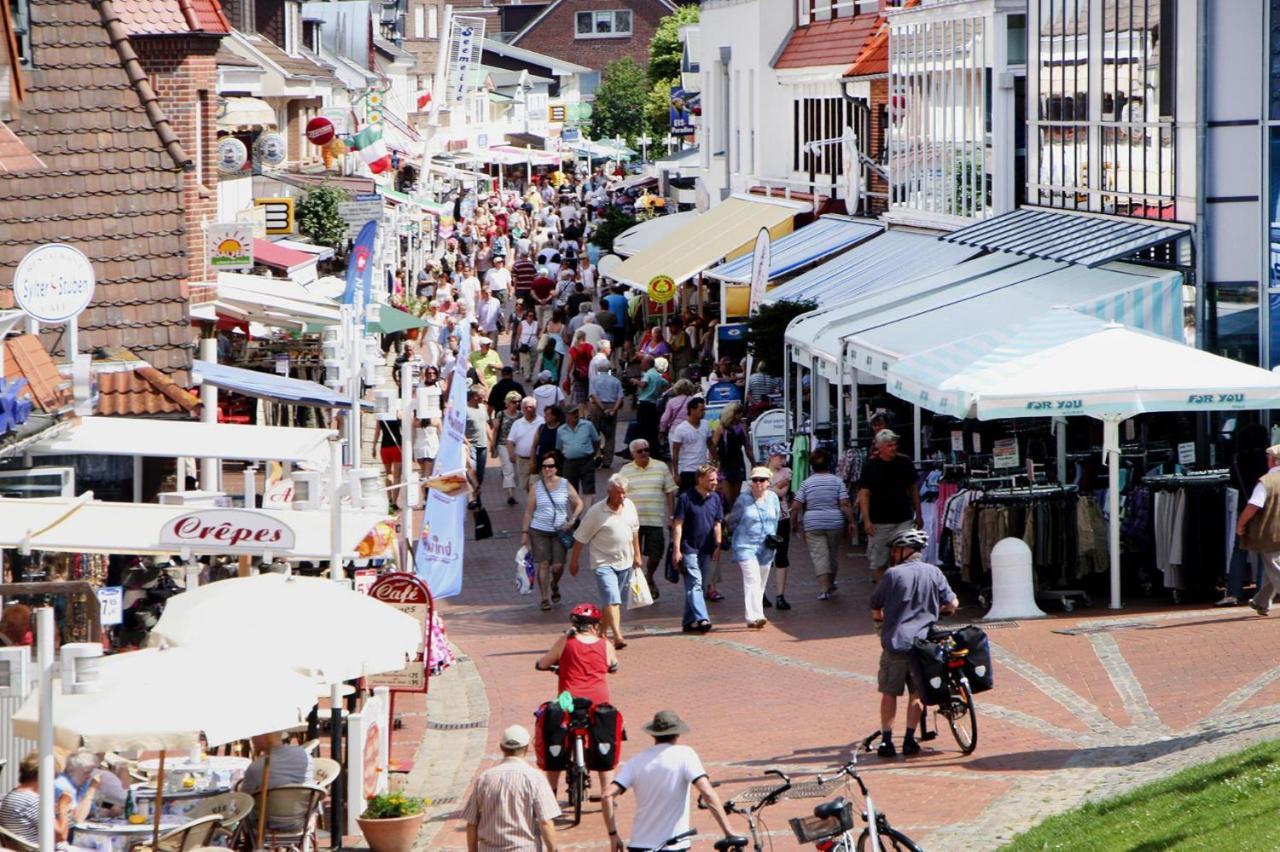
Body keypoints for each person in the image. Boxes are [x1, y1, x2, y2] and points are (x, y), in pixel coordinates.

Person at [869, 529, 957, 757]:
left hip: (897, 644)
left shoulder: (892, 575)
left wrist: (880, 626)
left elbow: (876, 606)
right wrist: (938, 611)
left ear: (905, 551)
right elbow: (953, 603)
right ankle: (909, 739)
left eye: (896, 550)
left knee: (889, 693)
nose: (894, 554)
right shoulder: (934, 572)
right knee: (917, 693)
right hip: (923, 646)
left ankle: (887, 740)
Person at [601, 710, 736, 852]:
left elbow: (606, 796)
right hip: (674, 845)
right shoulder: (685, 755)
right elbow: (707, 793)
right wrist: (728, 831)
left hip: (639, 844)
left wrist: (613, 834)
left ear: (653, 734)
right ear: (678, 733)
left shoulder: (635, 761)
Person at [461, 724, 560, 852]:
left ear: (502, 747)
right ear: (526, 748)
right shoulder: (535, 778)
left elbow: (472, 823)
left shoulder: (485, 778)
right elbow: (546, 822)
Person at [571, 475, 641, 648]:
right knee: (612, 599)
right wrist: (574, 561)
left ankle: (601, 632)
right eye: (619, 493)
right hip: (603, 563)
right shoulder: (596, 512)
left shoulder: (630, 506)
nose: (622, 497)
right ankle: (617, 636)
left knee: (613, 601)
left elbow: (634, 531)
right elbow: (580, 538)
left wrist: (637, 554)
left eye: (625, 493)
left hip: (625, 561)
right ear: (609, 492)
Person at [522, 451, 583, 611]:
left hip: (560, 531)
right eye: (544, 467)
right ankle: (544, 598)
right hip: (539, 530)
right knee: (543, 564)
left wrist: (572, 520)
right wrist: (525, 533)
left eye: (550, 466)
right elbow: (528, 511)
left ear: (556, 468)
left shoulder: (565, 484)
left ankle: (554, 584)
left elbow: (578, 503)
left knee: (557, 566)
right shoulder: (536, 487)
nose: (547, 469)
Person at [857, 430, 923, 579]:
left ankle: (903, 589)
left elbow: (913, 489)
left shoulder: (905, 462)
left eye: (894, 444)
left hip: (903, 518)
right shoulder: (871, 466)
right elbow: (864, 494)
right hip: (879, 521)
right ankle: (883, 593)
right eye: (889, 445)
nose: (893, 448)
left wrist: (918, 513)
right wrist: (866, 520)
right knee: (880, 561)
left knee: (907, 557)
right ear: (879, 447)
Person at [792, 449, 856, 600]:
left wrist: (793, 523)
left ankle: (824, 589)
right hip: (835, 522)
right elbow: (845, 504)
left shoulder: (807, 483)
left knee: (819, 556)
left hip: (813, 523)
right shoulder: (837, 481)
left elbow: (796, 506)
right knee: (832, 555)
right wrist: (852, 521)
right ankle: (831, 583)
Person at [620, 439, 678, 600]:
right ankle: (638, 585)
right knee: (633, 556)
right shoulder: (625, 471)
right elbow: (619, 494)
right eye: (640, 451)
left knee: (655, 555)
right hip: (633, 523)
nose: (644, 453)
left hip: (655, 519)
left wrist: (672, 516)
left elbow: (670, 492)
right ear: (633, 454)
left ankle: (649, 576)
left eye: (646, 449)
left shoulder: (661, 467)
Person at [671, 464, 724, 633]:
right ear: (700, 479)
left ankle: (688, 621)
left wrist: (718, 545)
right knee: (695, 583)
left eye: (716, 479)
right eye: (711, 480)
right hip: (689, 548)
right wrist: (677, 549)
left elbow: (717, 523)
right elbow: (678, 524)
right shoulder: (686, 498)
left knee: (697, 585)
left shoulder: (715, 498)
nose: (715, 483)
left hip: (707, 548)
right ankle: (702, 618)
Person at [1222, 423, 1270, 606]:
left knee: (1239, 550)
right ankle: (1260, 591)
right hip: (1264, 508)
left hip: (1244, 506)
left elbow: (1233, 482)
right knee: (1262, 551)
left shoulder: (1237, 459)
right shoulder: (1265, 460)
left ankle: (1233, 591)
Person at [729, 467, 782, 629]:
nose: (758, 483)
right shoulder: (743, 499)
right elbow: (733, 521)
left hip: (766, 546)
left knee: (761, 582)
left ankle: (756, 614)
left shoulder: (773, 498)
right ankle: (754, 616)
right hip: (745, 545)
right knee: (752, 578)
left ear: (768, 482)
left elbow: (776, 518)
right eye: (755, 480)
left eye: (762, 480)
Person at [1237, 444, 1280, 615]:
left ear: (1273, 461)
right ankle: (1261, 602)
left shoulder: (1266, 482)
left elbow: (1253, 506)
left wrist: (1240, 524)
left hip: (1270, 533)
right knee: (1272, 567)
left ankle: (1261, 602)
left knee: (1274, 567)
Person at [765, 444, 794, 611]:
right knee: (765, 556)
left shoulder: (786, 472)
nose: (782, 460)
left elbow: (782, 493)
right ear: (771, 457)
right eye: (779, 457)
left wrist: (769, 487)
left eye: (784, 457)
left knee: (781, 556)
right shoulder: (762, 472)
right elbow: (759, 491)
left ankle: (780, 595)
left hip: (781, 518)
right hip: (766, 518)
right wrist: (775, 487)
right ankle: (761, 593)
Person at [711, 402, 754, 507]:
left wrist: (754, 463)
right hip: (725, 464)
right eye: (738, 413)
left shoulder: (742, 427)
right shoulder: (721, 428)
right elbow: (713, 446)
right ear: (732, 413)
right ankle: (727, 518)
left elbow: (747, 447)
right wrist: (713, 463)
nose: (740, 416)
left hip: (738, 463)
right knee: (727, 497)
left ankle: (733, 519)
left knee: (736, 496)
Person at [241, 732, 313, 794]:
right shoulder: (304, 755)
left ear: (267, 735)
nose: (252, 738)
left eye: (255, 733)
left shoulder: (256, 767)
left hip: (268, 809)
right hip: (304, 807)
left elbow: (245, 798)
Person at [557, 406, 601, 504]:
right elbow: (559, 447)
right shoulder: (560, 430)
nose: (576, 415)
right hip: (570, 463)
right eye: (572, 413)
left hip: (586, 460)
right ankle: (576, 516)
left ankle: (589, 514)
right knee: (571, 490)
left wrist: (594, 454)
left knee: (588, 488)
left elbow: (596, 441)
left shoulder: (588, 425)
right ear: (566, 416)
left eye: (576, 412)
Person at [670, 398, 712, 493]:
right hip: (687, 470)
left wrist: (714, 462)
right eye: (701, 410)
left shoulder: (706, 425)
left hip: (703, 469)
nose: (704, 412)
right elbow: (675, 452)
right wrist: (676, 473)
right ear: (692, 410)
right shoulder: (680, 429)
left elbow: (711, 444)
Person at [589, 364, 624, 469]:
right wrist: (614, 409)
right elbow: (620, 397)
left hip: (598, 407)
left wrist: (602, 408)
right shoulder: (616, 381)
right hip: (612, 405)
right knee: (610, 435)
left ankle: (596, 455)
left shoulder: (594, 380)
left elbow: (594, 396)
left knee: (594, 433)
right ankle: (607, 461)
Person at [507, 397, 544, 497]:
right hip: (522, 461)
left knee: (534, 486)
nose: (528, 409)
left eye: (531, 407)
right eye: (526, 407)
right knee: (526, 486)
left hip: (537, 460)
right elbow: (510, 440)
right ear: (522, 408)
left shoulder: (542, 422)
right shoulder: (517, 423)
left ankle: (534, 509)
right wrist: (511, 453)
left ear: (535, 408)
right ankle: (532, 506)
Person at [495, 391, 525, 506]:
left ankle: (514, 492)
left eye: (518, 401)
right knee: (508, 470)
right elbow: (496, 430)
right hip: (503, 444)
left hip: (518, 445)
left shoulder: (521, 415)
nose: (516, 404)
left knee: (519, 470)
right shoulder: (501, 414)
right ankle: (510, 495)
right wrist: (493, 445)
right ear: (507, 402)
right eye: (513, 401)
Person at [633, 356, 669, 449]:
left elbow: (643, 384)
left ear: (647, 364)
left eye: (642, 363)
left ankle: (643, 447)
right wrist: (658, 392)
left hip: (645, 403)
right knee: (652, 428)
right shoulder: (657, 375)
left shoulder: (648, 374)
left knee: (643, 428)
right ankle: (653, 448)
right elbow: (666, 383)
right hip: (653, 403)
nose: (641, 365)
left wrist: (635, 381)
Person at [465, 387, 495, 493]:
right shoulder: (465, 409)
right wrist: (467, 443)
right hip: (471, 446)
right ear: (475, 396)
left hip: (483, 445)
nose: (485, 398)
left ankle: (477, 493)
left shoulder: (482, 407)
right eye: (482, 396)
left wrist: (492, 441)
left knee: (480, 474)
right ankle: (475, 495)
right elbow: (458, 428)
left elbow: (486, 424)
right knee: (472, 471)